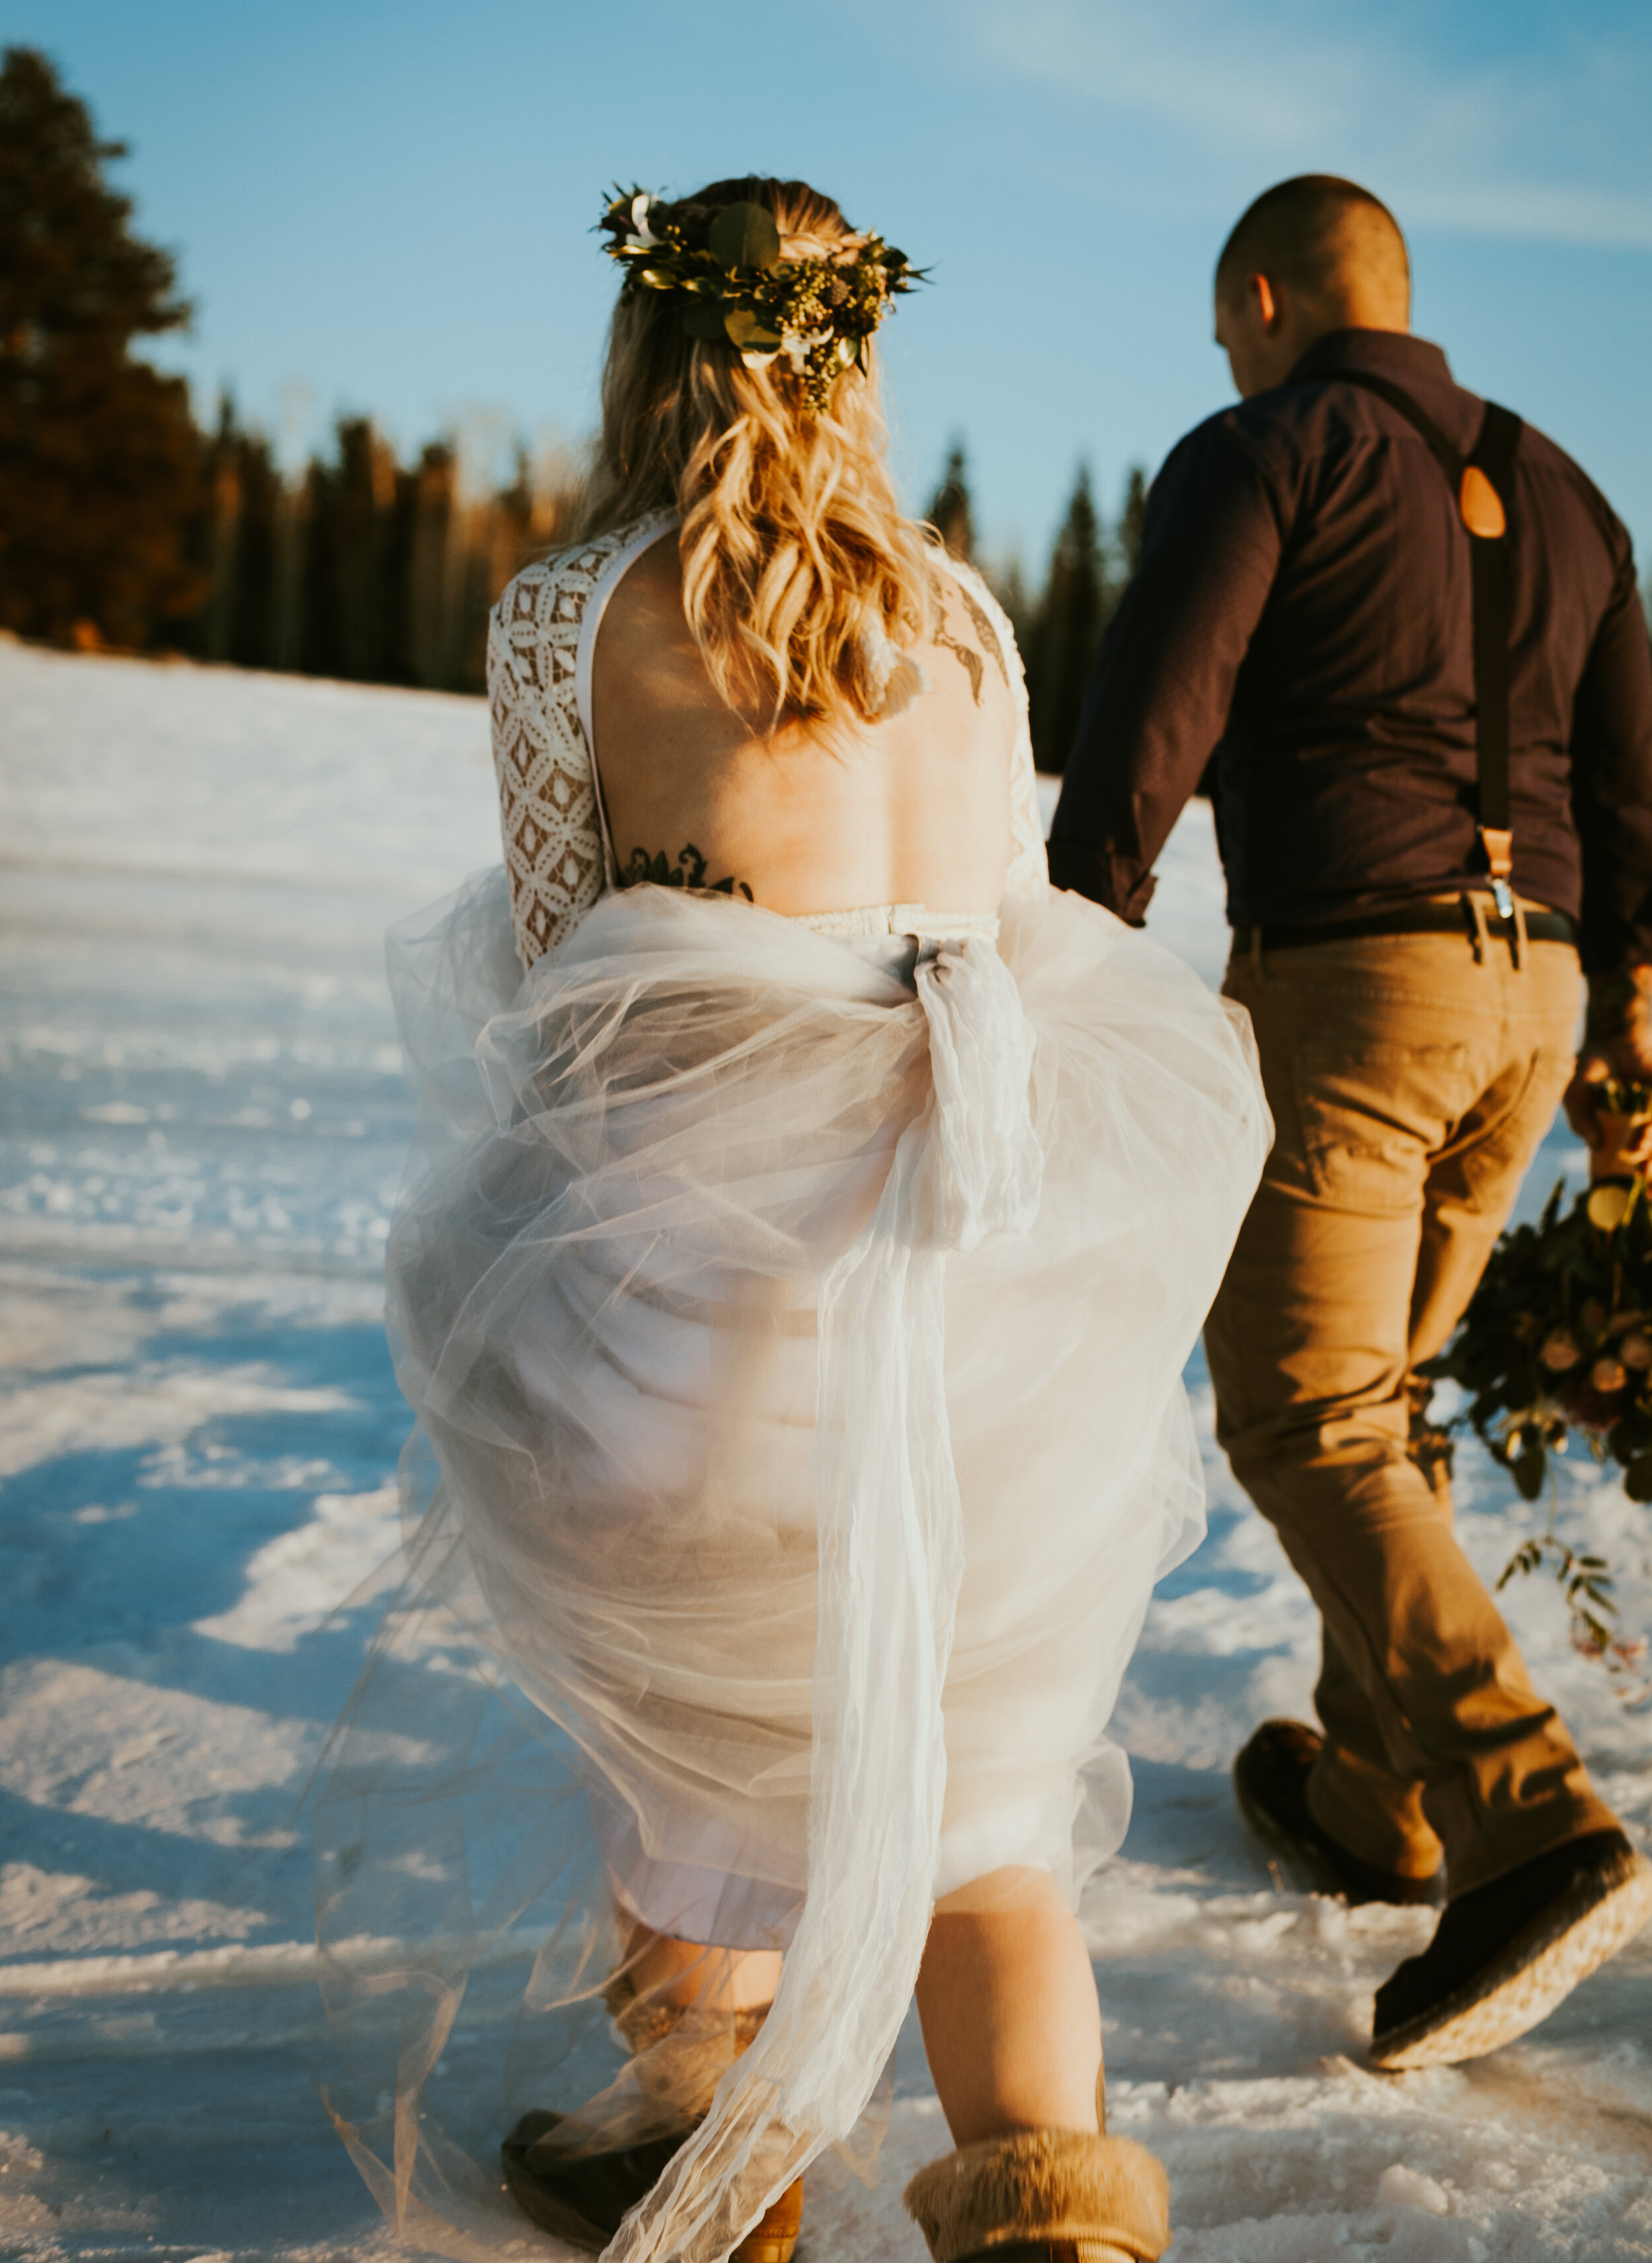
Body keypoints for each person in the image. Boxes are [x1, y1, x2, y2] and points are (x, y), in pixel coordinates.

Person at [315, 176, 1268, 2263]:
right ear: (859, 351)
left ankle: (705, 2164)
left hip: (707, 1303)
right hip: (966, 1297)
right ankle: (1050, 2231)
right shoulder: (961, 618)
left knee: (692, 1738)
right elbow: (1007, 926)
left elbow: (571, 976)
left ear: (647, 349)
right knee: (982, 1822)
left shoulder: (576, 608)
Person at [1049, 173, 1652, 2071]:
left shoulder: (1266, 443)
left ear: (1258, 295)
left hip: (1361, 988)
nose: (1215, 347)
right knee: (1376, 1396)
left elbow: (1166, 687)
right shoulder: (1566, 486)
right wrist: (1629, 1023)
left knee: (1301, 1406)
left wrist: (1075, 934)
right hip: (1532, 999)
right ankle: (1384, 1801)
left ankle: (1526, 1820)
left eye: (1220, 319)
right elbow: (1635, 788)